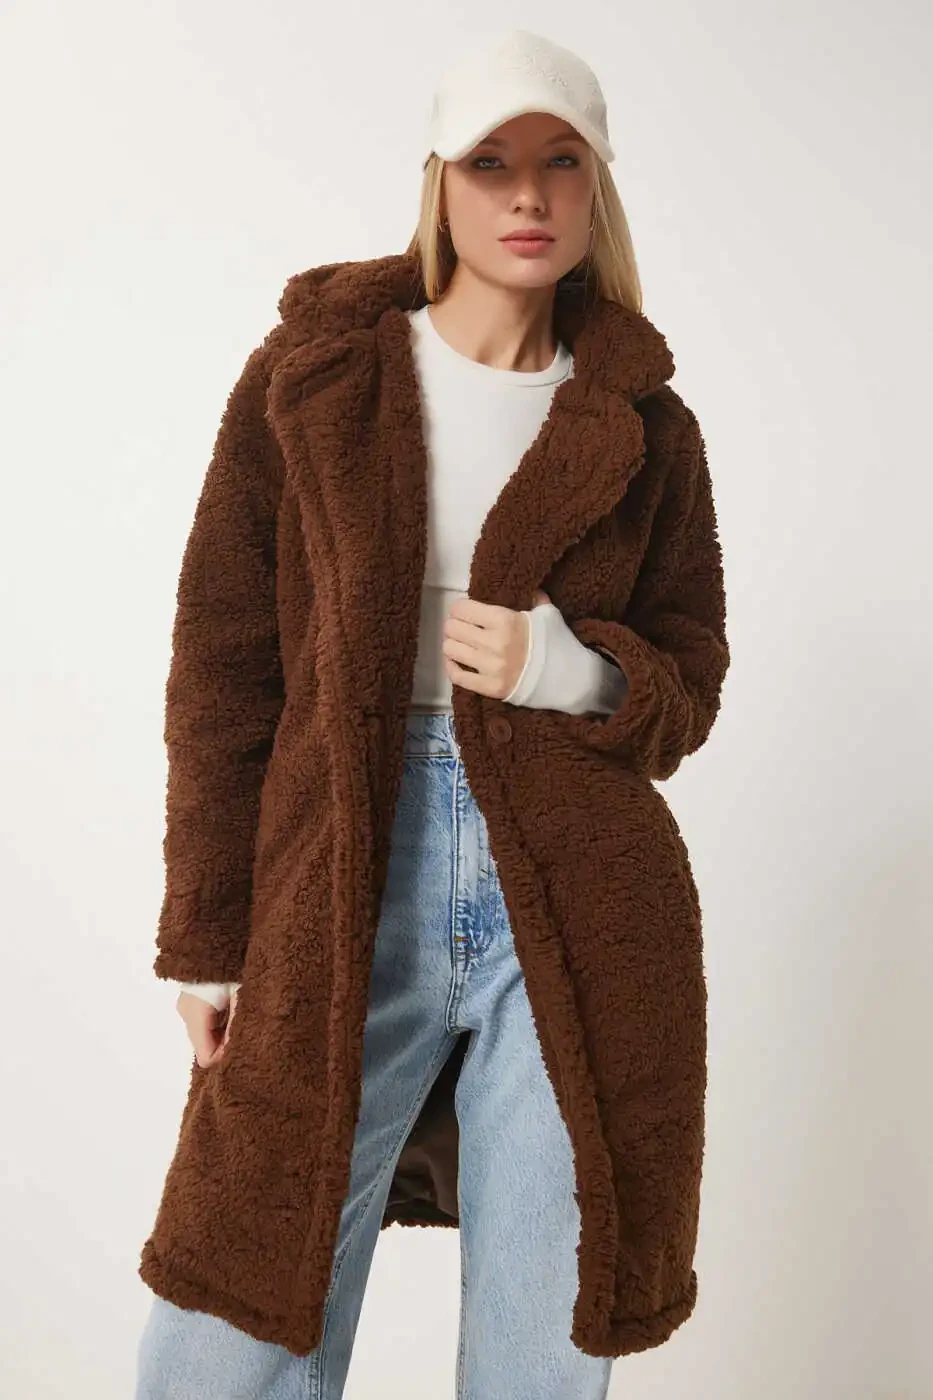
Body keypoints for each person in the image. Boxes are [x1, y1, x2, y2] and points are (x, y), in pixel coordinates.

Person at [135, 27, 730, 1400]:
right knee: (234, 1310)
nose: (526, 195)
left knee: (544, 1325)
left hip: (576, 890)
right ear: (440, 184)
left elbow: (688, 676)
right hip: (347, 857)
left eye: (560, 163)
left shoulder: (646, 426)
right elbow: (223, 667)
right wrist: (208, 939)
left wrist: (571, 669)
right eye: (490, 163)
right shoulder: (317, 377)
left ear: (597, 187)